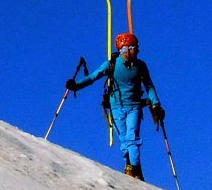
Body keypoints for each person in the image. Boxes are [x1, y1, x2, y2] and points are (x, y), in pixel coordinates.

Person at [68, 31, 164, 179]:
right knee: (125, 139)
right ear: (125, 49)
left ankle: (135, 168)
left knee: (132, 138)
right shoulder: (112, 64)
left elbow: (149, 86)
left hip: (134, 107)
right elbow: (93, 77)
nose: (137, 50)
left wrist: (156, 105)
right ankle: (130, 167)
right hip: (116, 107)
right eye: (135, 47)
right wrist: (76, 86)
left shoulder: (140, 66)